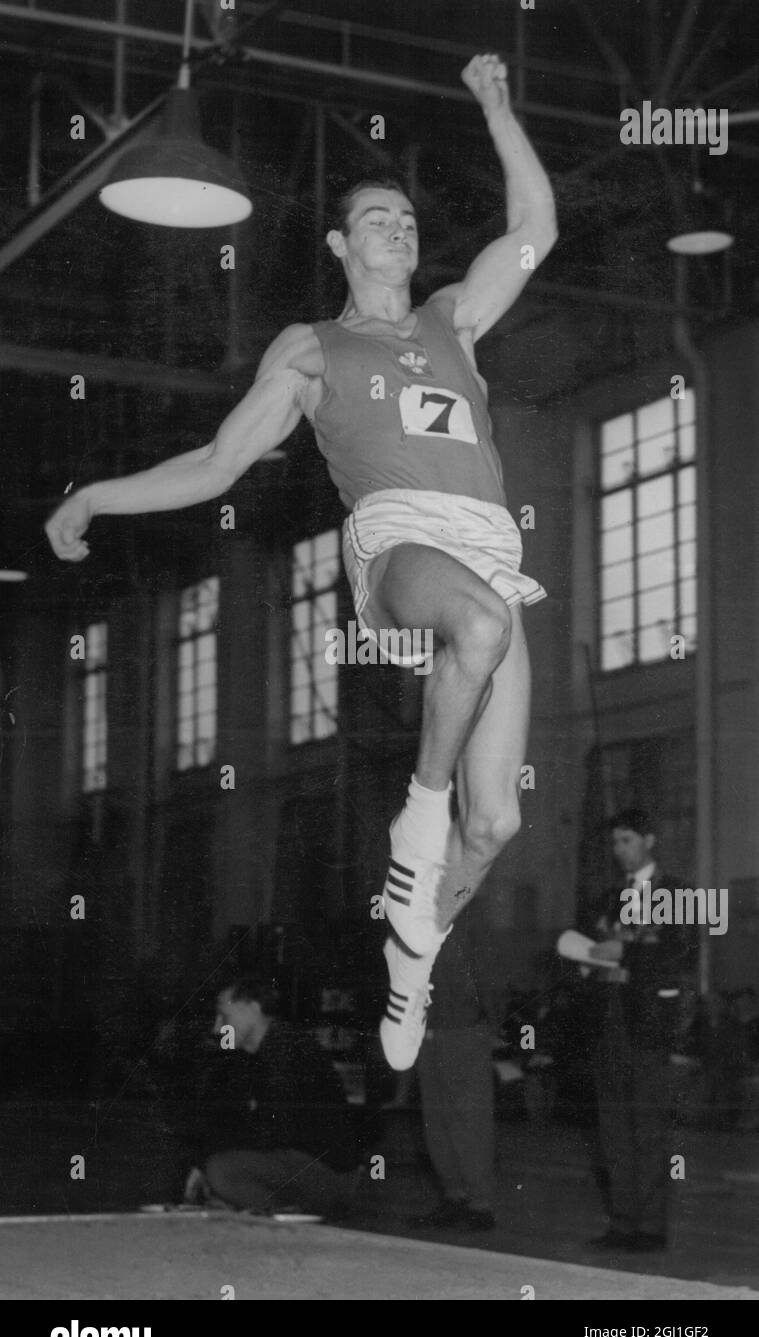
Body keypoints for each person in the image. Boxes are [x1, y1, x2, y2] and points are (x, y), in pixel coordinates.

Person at [45, 54, 557, 1072]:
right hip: (398, 546)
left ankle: (411, 957)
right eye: (378, 220)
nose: (399, 233)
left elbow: (535, 229)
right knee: (481, 636)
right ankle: (418, 818)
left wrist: (498, 111)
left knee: (496, 818)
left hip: (488, 552)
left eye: (409, 222)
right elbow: (216, 461)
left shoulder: (453, 317)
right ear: (339, 243)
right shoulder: (312, 347)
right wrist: (98, 493)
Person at [581, 809, 697, 1252]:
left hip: (648, 1025)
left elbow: (680, 956)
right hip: (607, 1022)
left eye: (626, 841)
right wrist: (587, 962)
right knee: (613, 1127)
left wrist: (624, 955)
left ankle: (649, 1228)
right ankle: (623, 1223)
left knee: (647, 1128)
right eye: (614, 843)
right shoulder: (610, 898)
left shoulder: (679, 893)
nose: (619, 851)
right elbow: (597, 947)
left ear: (649, 840)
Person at [184, 976, 360, 1217]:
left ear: (253, 1008)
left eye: (224, 1016)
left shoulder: (289, 1048)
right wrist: (200, 1161)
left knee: (222, 1170)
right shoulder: (249, 1056)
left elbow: (274, 1132)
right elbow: (229, 1122)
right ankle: (266, 1214)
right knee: (218, 1170)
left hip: (329, 1177)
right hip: (298, 1168)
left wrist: (207, 1163)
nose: (217, 1028)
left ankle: (281, 1221)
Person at [413, 917, 500, 1232]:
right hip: (428, 1030)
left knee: (469, 1119)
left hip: (463, 1029)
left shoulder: (467, 917)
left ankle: (479, 1202)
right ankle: (453, 1196)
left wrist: (487, 1022)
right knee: (436, 1120)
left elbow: (486, 976)